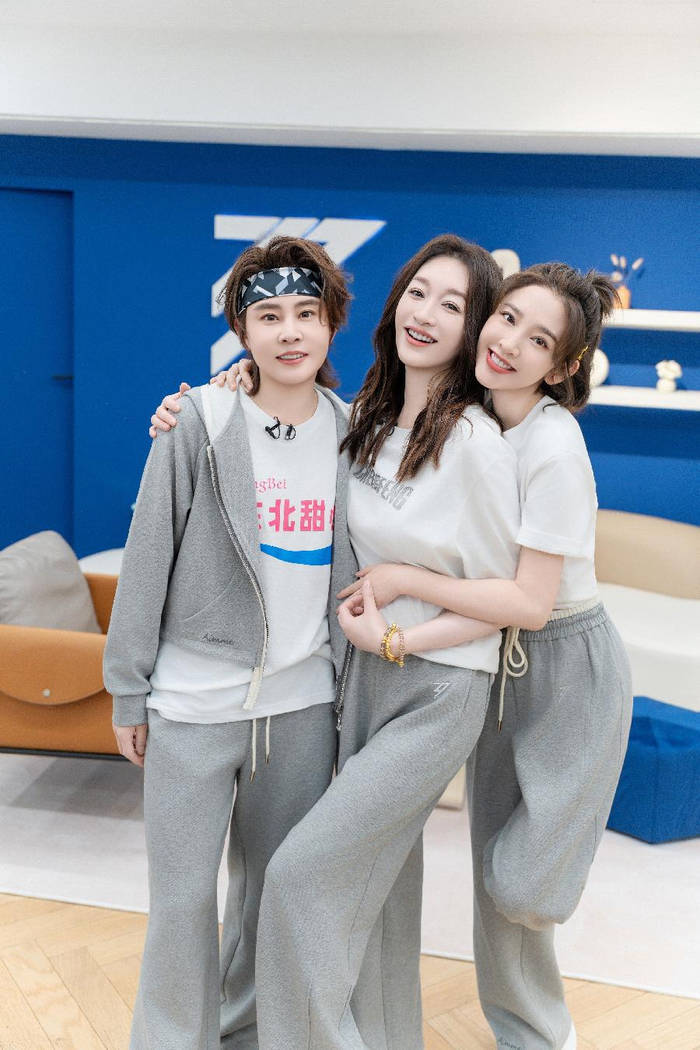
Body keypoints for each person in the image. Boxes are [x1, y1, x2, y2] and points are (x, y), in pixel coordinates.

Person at [150, 234, 521, 1049]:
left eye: (453, 304)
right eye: (418, 292)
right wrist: (215, 397)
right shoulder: (365, 424)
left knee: (296, 878)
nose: (427, 313)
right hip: (353, 687)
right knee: (371, 893)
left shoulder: (474, 440)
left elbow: (514, 600)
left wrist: (399, 627)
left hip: (420, 684)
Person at [339, 263, 634, 1050]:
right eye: (505, 319)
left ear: (561, 367)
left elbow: (530, 603)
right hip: (492, 664)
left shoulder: (553, 444)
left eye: (538, 339)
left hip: (567, 665)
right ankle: (533, 1036)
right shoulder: (469, 417)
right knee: (490, 881)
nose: (508, 343)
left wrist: (404, 589)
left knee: (524, 887)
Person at [104, 235, 356, 1050]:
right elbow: (148, 556)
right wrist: (128, 689)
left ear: (331, 324)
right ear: (241, 332)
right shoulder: (199, 422)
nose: (291, 331)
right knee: (181, 901)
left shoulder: (355, 434)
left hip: (303, 709)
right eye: (269, 315)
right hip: (192, 706)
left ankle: (245, 1031)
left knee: (269, 895)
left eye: (307, 313)